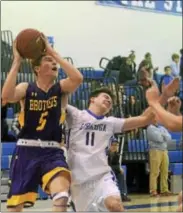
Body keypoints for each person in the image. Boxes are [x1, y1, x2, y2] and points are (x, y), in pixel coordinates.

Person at [65, 78, 178, 212]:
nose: (109, 101)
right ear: (92, 99)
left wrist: (164, 96)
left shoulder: (111, 123)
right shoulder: (75, 115)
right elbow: (55, 98)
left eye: (111, 102)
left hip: (101, 176)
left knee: (115, 206)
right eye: (105, 97)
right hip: (78, 182)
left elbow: (145, 119)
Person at [1, 36, 83, 212]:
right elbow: (5, 96)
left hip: (52, 151)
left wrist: (53, 52)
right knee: (15, 208)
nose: (54, 63)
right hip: (26, 150)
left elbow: (77, 78)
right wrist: (17, 61)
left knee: (61, 197)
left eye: (55, 62)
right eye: (48, 60)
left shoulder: (60, 88)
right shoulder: (26, 88)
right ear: (37, 69)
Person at [147, 119, 172, 197]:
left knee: (165, 171)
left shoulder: (162, 128)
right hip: (155, 150)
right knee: (155, 171)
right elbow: (158, 138)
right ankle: (153, 191)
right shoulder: (150, 128)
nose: (156, 120)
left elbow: (169, 138)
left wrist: (162, 135)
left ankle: (164, 190)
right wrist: (164, 136)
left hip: (164, 150)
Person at [108, 137, 131, 202]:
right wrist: (118, 168)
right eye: (113, 145)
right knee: (117, 171)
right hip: (105, 172)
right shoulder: (106, 154)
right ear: (109, 145)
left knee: (121, 174)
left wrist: (119, 168)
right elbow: (107, 166)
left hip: (112, 170)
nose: (115, 147)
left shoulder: (116, 154)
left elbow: (117, 164)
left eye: (116, 145)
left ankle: (122, 194)